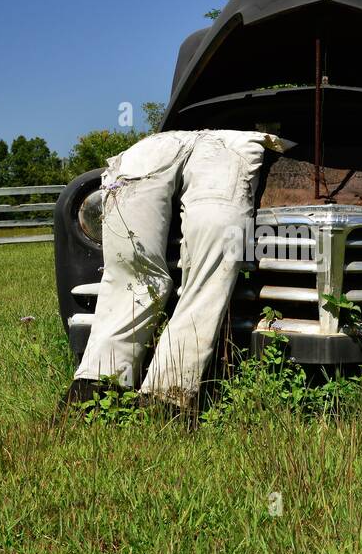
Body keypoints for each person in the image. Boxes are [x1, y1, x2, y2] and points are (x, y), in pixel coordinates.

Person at [61, 127, 292, 410]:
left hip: (154, 147)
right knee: (208, 273)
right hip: (226, 148)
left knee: (132, 273)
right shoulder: (237, 141)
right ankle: (166, 395)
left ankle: (94, 387)